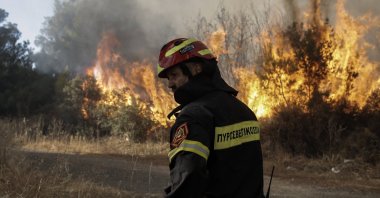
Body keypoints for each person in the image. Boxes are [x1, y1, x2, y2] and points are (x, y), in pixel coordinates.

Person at [157, 38, 264, 198]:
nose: (170, 84)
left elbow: (187, 181)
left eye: (174, 75)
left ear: (196, 68)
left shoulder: (193, 116)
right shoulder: (245, 111)